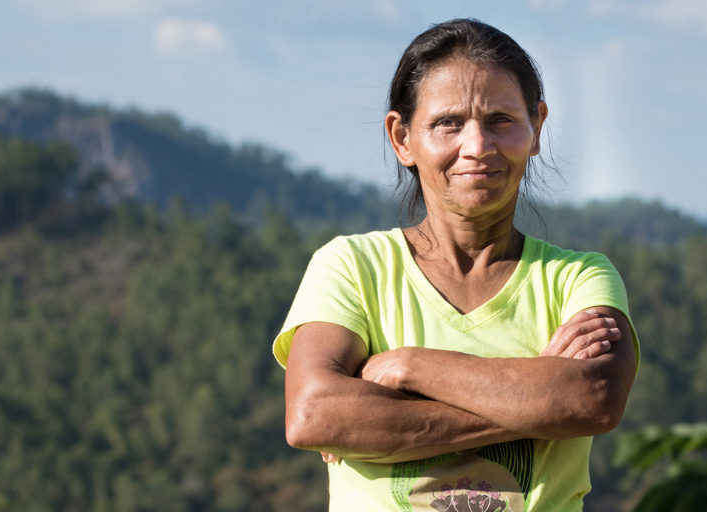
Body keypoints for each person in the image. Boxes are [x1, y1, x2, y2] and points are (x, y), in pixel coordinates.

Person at [272, 18, 639, 512]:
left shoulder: (577, 278)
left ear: (537, 129)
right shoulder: (352, 267)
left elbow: (593, 398)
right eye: (448, 123)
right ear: (402, 138)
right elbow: (313, 414)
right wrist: (539, 395)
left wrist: (407, 366)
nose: (478, 146)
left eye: (501, 120)